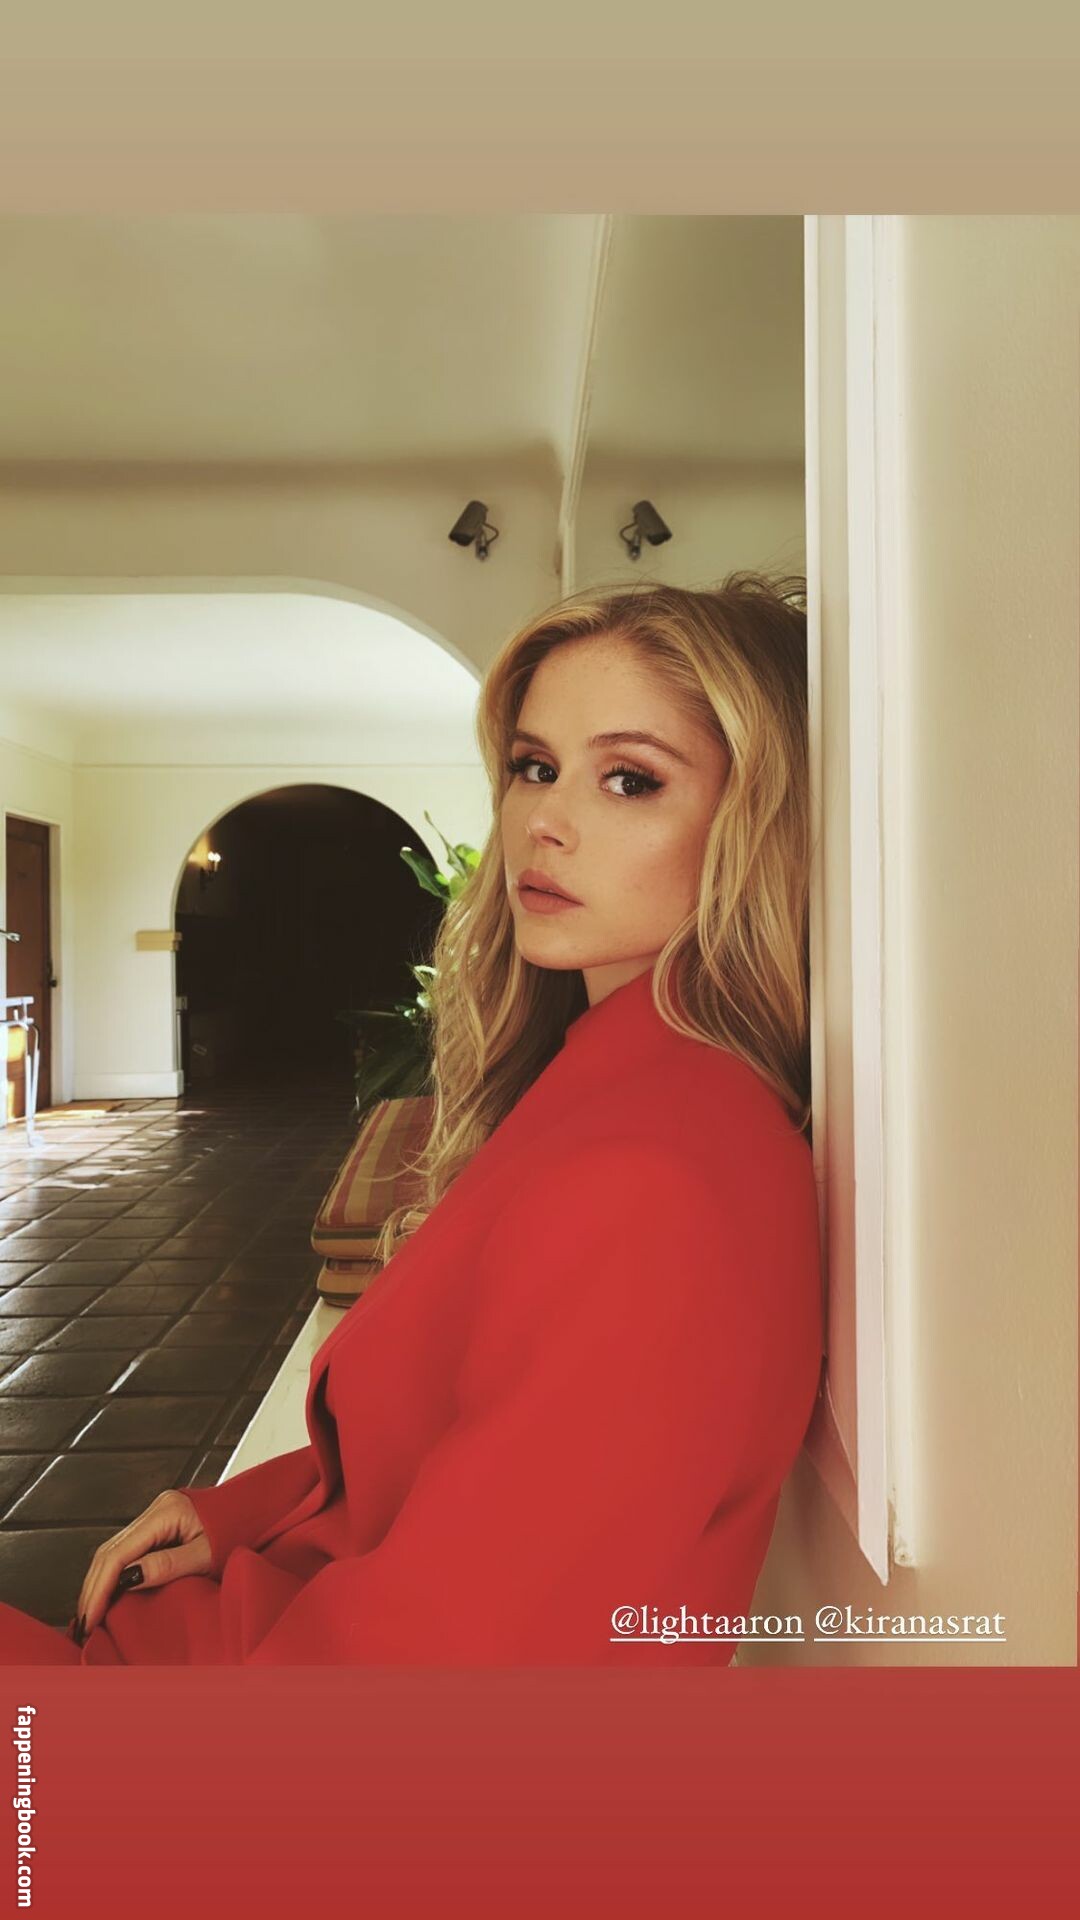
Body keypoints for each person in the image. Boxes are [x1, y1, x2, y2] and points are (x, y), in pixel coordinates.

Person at [0, 570, 824, 1666]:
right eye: (534, 767)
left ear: (757, 823)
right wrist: (245, 1512)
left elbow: (418, 1707)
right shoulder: (607, 1087)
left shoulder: (656, 1186)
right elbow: (460, 1453)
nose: (544, 823)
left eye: (630, 780)